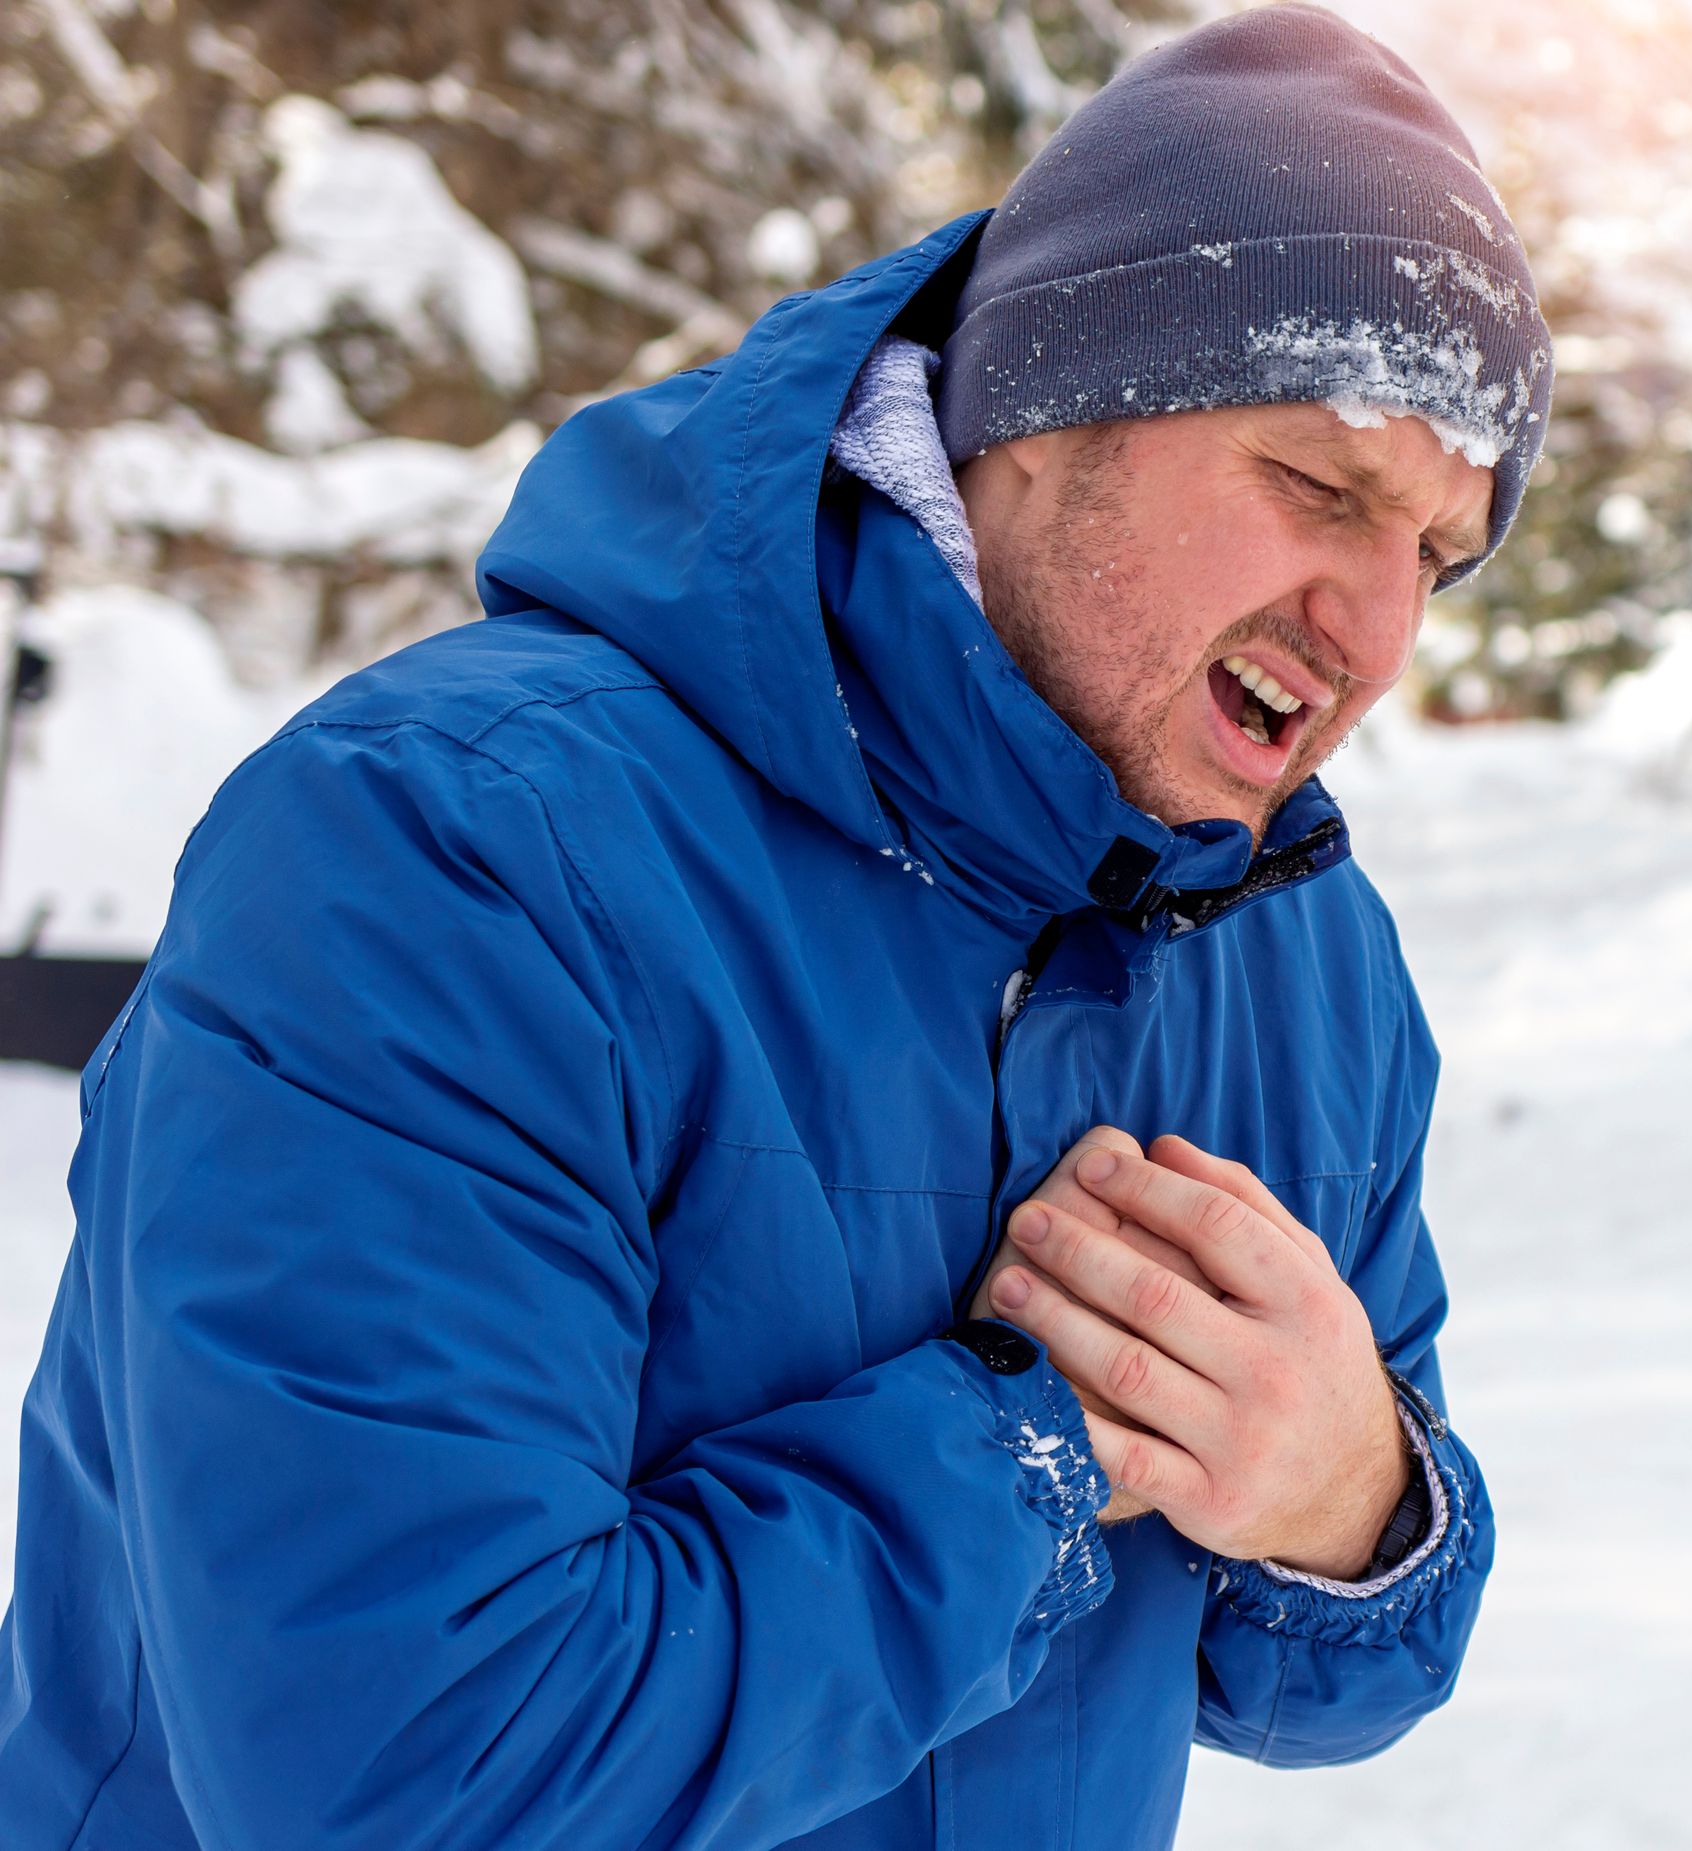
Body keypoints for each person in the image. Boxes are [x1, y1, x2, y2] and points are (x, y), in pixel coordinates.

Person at [0, 8, 1550, 1846]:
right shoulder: (448, 851)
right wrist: (1029, 1452)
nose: (1377, 632)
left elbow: (1322, 1671)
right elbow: (413, 1780)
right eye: (1320, 485)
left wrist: (1354, 1498)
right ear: (1043, 413)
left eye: (1438, 557)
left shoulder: (1295, 949)